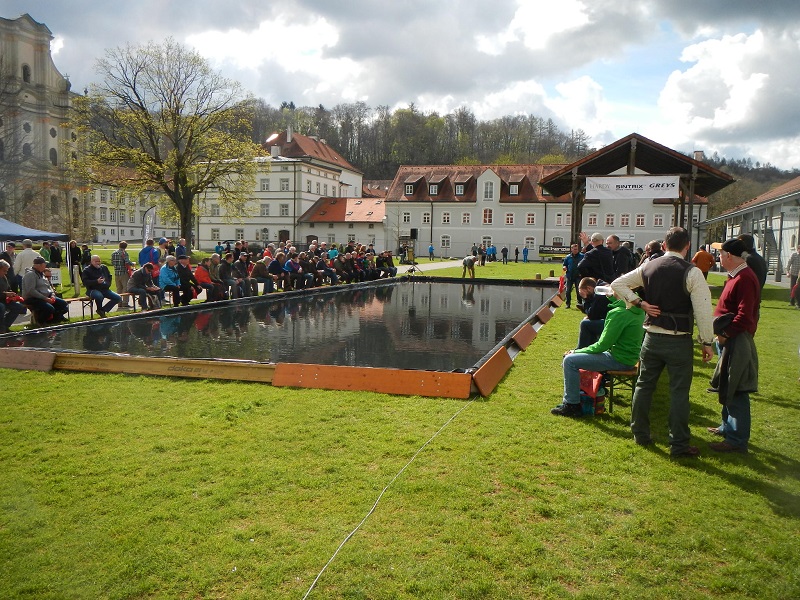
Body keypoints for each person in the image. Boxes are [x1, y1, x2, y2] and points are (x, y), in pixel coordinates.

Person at [611, 227, 715, 457]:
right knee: (679, 392)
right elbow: (703, 311)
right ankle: (678, 443)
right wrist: (707, 341)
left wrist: (639, 303)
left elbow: (617, 283)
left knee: (644, 386)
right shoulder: (692, 272)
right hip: (679, 340)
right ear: (687, 246)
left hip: (652, 337)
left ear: (665, 245)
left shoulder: (649, 266)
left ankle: (640, 434)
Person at [551, 292, 646, 416]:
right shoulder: (638, 309)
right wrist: (613, 298)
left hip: (619, 359)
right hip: (630, 357)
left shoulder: (618, 313)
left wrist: (576, 351)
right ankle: (589, 392)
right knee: (577, 357)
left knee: (569, 361)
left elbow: (602, 345)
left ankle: (572, 405)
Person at [707, 238, 760, 453]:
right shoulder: (736, 276)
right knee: (727, 385)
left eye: (720, 254)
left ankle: (737, 440)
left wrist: (726, 334)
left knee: (736, 388)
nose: (718, 258)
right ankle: (727, 427)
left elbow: (745, 315)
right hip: (730, 338)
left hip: (735, 339)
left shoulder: (744, 278)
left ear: (729, 256)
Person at [21, 257, 69, 325]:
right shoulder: (30, 274)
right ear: (39, 265)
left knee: (63, 304)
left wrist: (52, 295)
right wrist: (45, 298)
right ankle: (40, 322)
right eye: (44, 264)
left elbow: (49, 286)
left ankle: (55, 319)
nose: (45, 266)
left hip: (46, 296)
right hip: (33, 298)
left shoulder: (42, 274)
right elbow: (31, 291)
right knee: (49, 308)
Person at [576, 277, 611, 348]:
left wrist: (585, 299)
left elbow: (592, 315)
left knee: (585, 324)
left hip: (613, 324)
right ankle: (589, 348)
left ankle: (580, 350)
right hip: (612, 320)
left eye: (583, 293)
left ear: (588, 288)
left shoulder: (600, 292)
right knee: (590, 323)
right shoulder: (603, 287)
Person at [0, 259, 27, 333]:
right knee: (1, 307)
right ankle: (1, 328)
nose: (5, 273)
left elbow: (8, 289)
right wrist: (5, 294)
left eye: (6, 271)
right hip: (2, 300)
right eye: (4, 271)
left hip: (4, 299)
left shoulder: (3, 277)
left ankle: (5, 326)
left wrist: (12, 294)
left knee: (19, 307)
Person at [110, 241, 135, 308]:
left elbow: (112, 262)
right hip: (124, 272)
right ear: (125, 247)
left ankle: (119, 302)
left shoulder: (114, 253)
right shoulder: (124, 253)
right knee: (125, 288)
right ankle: (125, 303)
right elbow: (127, 262)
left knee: (119, 288)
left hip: (116, 273)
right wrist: (133, 264)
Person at [561, 243, 584, 309]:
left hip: (578, 276)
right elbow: (564, 264)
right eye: (574, 249)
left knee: (578, 291)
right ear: (571, 249)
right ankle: (568, 304)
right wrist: (564, 267)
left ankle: (579, 303)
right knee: (568, 291)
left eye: (576, 249)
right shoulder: (568, 257)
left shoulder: (582, 256)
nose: (575, 250)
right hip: (569, 276)